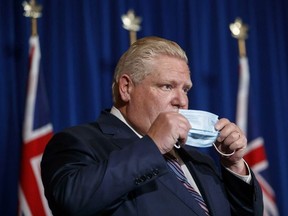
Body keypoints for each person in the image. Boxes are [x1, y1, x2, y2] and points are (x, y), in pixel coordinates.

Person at [41, 36, 263, 216]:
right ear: (126, 88)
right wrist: (153, 145)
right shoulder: (80, 142)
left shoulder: (200, 160)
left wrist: (234, 166)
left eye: (185, 89)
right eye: (167, 86)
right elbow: (71, 203)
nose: (182, 101)